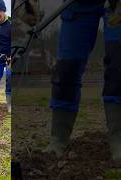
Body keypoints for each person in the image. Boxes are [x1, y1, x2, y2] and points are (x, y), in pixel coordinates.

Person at [21, 0, 121, 160]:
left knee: (118, 62)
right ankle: (58, 140)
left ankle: (119, 140)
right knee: (66, 68)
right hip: (77, 6)